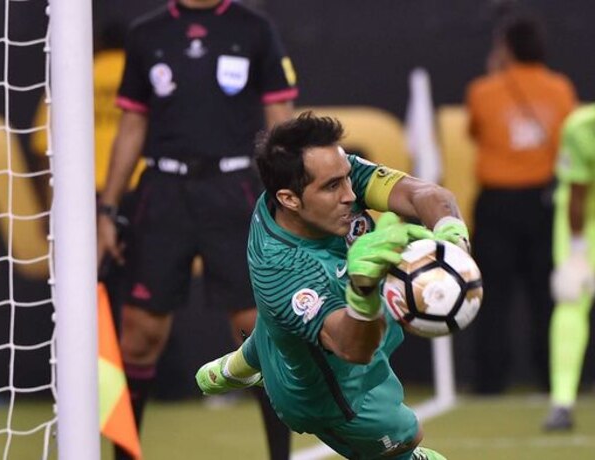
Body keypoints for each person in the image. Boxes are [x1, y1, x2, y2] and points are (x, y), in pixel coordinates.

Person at [196, 112, 470, 459]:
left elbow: (424, 194)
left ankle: (238, 366)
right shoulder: (281, 269)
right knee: (408, 438)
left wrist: (452, 240)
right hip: (330, 394)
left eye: (346, 177)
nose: (350, 194)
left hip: (295, 320)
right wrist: (363, 288)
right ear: (289, 199)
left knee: (277, 326)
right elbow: (352, 348)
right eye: (332, 187)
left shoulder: (327, 176)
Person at [96, 1, 298, 458]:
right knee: (140, 334)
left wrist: (292, 193)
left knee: (256, 330)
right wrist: (107, 209)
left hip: (234, 189)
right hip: (164, 189)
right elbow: (132, 124)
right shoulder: (147, 33)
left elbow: (281, 120)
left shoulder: (253, 28)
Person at [465, 13, 577, 394]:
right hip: (543, 202)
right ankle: (553, 377)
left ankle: (490, 381)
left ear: (506, 49)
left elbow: (476, 130)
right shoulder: (560, 88)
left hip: (498, 202)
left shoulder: (483, 90)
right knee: (545, 295)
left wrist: (496, 73)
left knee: (491, 296)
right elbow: (566, 138)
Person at [543, 93, 595, 431]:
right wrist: (579, 251)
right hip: (588, 220)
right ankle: (562, 402)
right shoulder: (580, 128)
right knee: (571, 296)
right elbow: (578, 193)